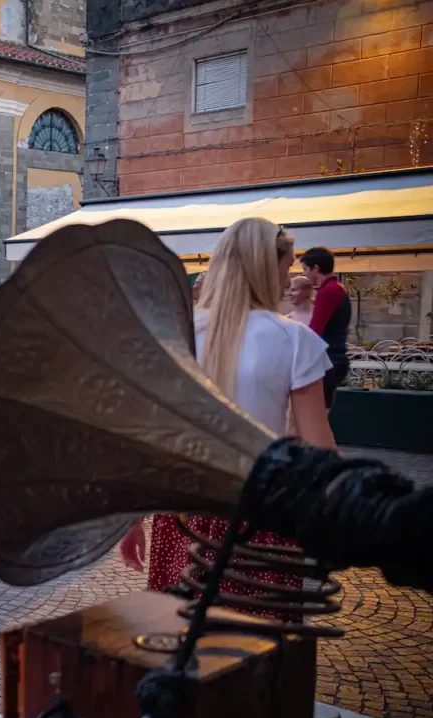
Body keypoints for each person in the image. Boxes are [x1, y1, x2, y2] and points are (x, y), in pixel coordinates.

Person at [119, 218, 336, 610]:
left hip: (182, 514)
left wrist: (132, 517)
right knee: (254, 646)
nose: (289, 277)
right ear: (266, 268)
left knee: (179, 638)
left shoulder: (173, 333)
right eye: (287, 266)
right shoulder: (296, 341)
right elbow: (319, 449)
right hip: (261, 515)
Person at [303, 247, 351, 410]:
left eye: (305, 269)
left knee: (317, 417)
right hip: (335, 359)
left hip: (328, 361)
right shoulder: (338, 288)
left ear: (316, 268)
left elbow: (314, 331)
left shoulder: (328, 292)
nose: (304, 274)